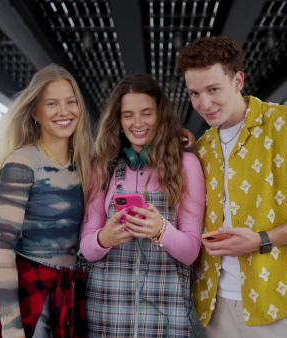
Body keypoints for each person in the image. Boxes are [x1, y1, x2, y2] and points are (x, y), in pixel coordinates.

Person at [176, 35, 287, 337]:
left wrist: (262, 239)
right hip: (217, 306)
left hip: (281, 303)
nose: (204, 103)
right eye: (194, 93)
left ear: (238, 80)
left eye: (213, 89)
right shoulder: (202, 148)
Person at [0, 64, 93, 338]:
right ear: (35, 112)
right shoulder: (22, 162)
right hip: (29, 297)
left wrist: (173, 142)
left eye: (71, 101)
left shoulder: (85, 163)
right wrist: (12, 327)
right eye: (52, 103)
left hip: (69, 293)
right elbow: (2, 251)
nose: (64, 111)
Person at [79, 74, 206, 337]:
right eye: (128, 115)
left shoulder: (186, 165)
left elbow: (192, 251)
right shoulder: (103, 167)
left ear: (160, 115)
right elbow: (87, 248)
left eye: (146, 113)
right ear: (119, 119)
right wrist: (104, 238)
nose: (137, 123)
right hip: (106, 311)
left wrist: (162, 230)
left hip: (166, 312)